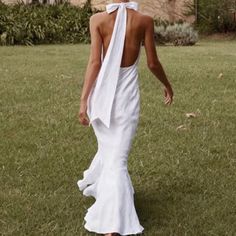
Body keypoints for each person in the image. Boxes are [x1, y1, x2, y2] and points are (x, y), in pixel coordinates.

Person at [77, 1, 174, 236]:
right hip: (126, 101)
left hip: (101, 99)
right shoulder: (144, 21)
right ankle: (113, 224)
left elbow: (95, 62)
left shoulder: (97, 20)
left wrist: (83, 101)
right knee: (118, 159)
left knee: (113, 155)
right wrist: (167, 85)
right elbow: (152, 62)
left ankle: (112, 194)